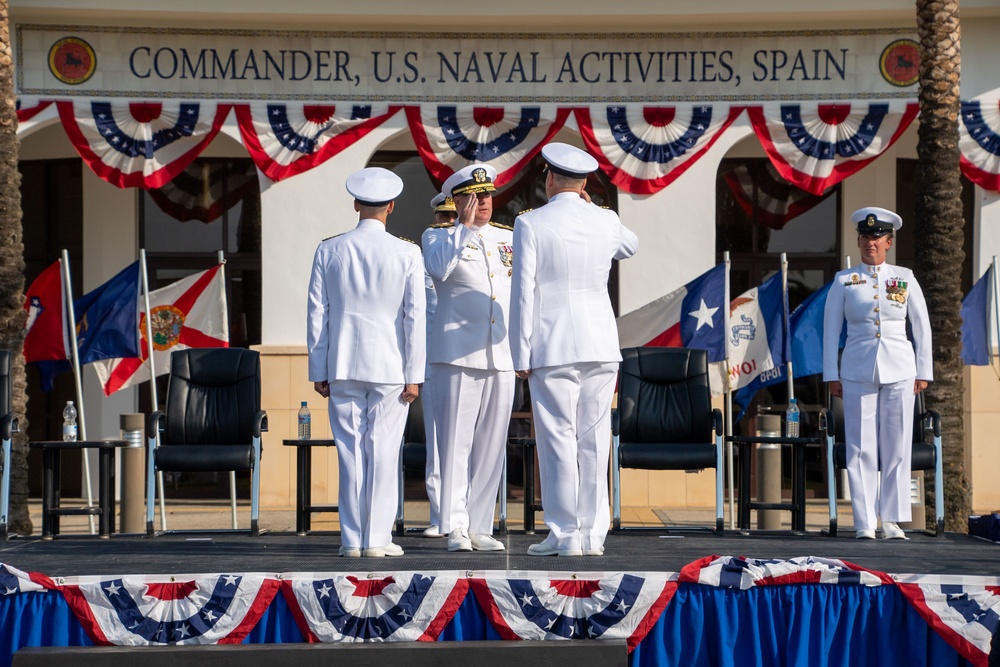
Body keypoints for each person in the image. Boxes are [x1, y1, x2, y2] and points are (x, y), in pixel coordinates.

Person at [510, 142, 638, 556]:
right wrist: (595, 207)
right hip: (600, 343)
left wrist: (520, 352)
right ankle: (592, 535)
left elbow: (523, 293)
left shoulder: (531, 224)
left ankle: (565, 535)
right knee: (595, 438)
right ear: (584, 183)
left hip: (554, 344)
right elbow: (630, 245)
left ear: (549, 178)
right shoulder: (606, 220)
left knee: (558, 439)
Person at [307, 167, 426, 557]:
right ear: (391, 207)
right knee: (384, 450)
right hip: (391, 367)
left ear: (355, 204)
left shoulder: (329, 249)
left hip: (342, 364)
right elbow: (414, 318)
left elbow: (316, 314)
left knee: (350, 451)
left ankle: (352, 539)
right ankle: (376, 539)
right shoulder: (408, 252)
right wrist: (415, 374)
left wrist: (318, 368)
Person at [822, 206, 932, 540]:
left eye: (877, 238)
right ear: (858, 241)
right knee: (860, 447)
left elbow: (922, 326)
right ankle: (864, 521)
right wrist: (831, 374)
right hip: (857, 369)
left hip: (900, 368)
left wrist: (923, 369)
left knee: (896, 446)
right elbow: (830, 330)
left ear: (888, 242)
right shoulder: (844, 281)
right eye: (865, 237)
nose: (870, 243)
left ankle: (892, 520)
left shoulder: (904, 278)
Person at [422, 164, 513, 553]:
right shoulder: (437, 237)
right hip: (457, 356)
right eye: (476, 197)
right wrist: (460, 226)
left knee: (492, 446)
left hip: (501, 353)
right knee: (455, 445)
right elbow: (439, 269)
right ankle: (454, 525)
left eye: (489, 195)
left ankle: (480, 525)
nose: (485, 203)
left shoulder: (508, 238)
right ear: (458, 201)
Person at [420, 192, 458, 539]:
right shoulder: (428, 250)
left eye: (452, 217)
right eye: (444, 218)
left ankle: (465, 515)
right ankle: (438, 513)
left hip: (463, 353)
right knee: (436, 437)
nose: (449, 224)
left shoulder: (472, 247)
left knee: (466, 441)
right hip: (433, 356)